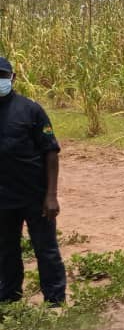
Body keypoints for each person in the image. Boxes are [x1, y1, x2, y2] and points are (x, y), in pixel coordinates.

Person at [0, 56, 67, 306]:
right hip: (3, 200)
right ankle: (10, 300)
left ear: (13, 78)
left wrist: (51, 195)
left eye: (2, 76)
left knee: (46, 249)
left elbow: (51, 152)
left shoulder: (30, 110)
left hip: (35, 196)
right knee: (6, 251)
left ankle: (54, 300)